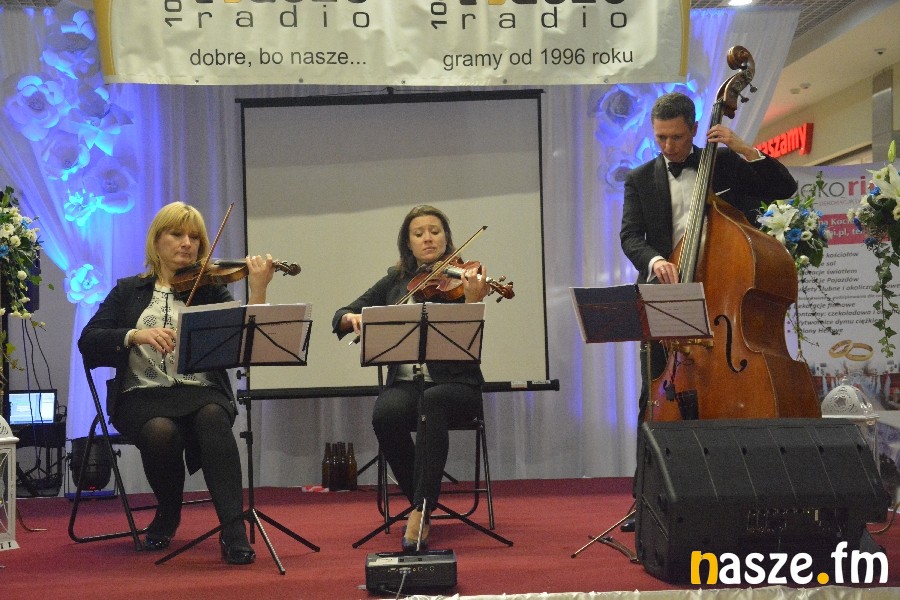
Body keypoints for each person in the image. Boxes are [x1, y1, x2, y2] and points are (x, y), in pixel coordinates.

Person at [618, 92, 797, 530]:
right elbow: (630, 236)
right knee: (654, 396)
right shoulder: (640, 178)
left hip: (724, 293)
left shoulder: (724, 163)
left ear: (695, 129)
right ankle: (646, 498)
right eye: (661, 138)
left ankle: (729, 490)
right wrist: (655, 260)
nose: (668, 146)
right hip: (667, 291)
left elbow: (784, 187)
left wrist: (742, 147)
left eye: (677, 137)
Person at [79, 202, 275, 564]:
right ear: (157, 241)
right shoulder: (128, 291)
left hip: (200, 391)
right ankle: (168, 512)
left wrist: (259, 289)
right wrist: (135, 334)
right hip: (142, 394)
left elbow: (244, 341)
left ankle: (233, 530)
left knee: (213, 416)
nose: (187, 243)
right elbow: (89, 340)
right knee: (160, 431)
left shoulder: (209, 288)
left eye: (195, 237)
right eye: (177, 234)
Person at [332, 205, 491, 552]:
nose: (427, 238)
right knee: (385, 415)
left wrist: (472, 301)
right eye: (418, 233)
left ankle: (419, 511)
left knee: (432, 401)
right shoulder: (395, 281)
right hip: (406, 383)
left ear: (446, 237)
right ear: (408, 242)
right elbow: (341, 314)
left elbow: (469, 340)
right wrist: (351, 319)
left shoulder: (463, 278)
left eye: (435, 231)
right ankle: (423, 504)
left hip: (456, 386)